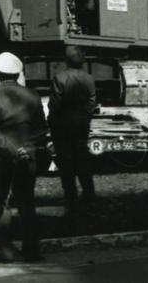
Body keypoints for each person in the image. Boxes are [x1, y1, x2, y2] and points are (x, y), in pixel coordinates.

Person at [0, 51, 47, 263]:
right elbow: (41, 129)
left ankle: (5, 251)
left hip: (1, 158)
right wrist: (25, 149)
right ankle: (32, 251)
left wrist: (11, 150)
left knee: (1, 201)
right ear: (18, 74)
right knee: (27, 201)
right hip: (27, 156)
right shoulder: (33, 96)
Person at [48, 46, 96, 215]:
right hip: (81, 124)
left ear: (66, 60)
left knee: (66, 161)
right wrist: (85, 117)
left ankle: (71, 196)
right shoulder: (89, 78)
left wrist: (52, 120)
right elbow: (92, 101)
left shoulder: (59, 77)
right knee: (82, 158)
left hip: (63, 125)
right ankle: (89, 194)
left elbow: (55, 103)